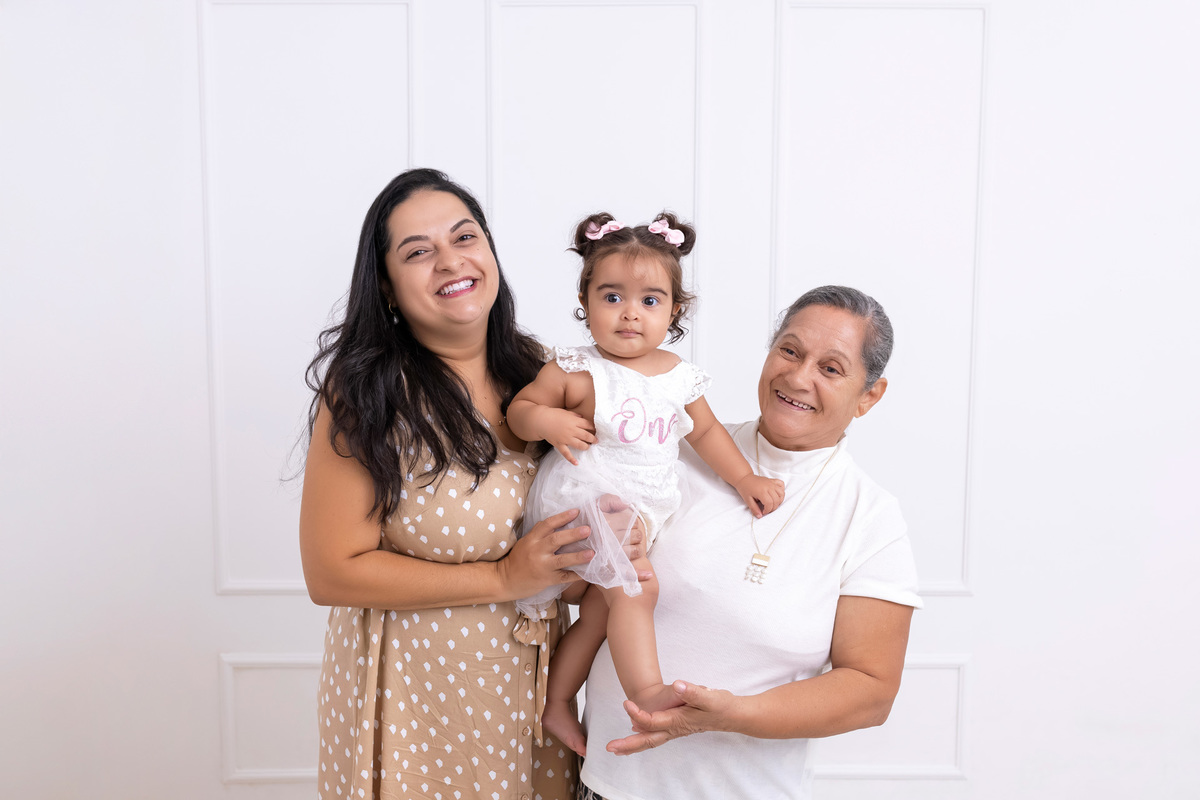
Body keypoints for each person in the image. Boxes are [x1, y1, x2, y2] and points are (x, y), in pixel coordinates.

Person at [298, 168, 603, 800]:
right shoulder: (368, 392)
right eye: (418, 251)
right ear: (387, 286)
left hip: (531, 699)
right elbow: (332, 572)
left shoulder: (541, 373)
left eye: (465, 237)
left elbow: (565, 538)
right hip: (414, 703)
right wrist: (503, 578)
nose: (450, 260)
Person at [576, 285, 924, 800]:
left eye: (830, 368)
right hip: (607, 784)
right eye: (790, 350)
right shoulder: (667, 448)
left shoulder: (869, 516)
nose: (798, 377)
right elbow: (579, 591)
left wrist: (732, 714)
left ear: (869, 395)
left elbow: (870, 691)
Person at [506, 212, 785, 756]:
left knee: (601, 611)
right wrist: (547, 420)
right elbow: (520, 411)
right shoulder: (577, 369)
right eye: (612, 297)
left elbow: (706, 433)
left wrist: (745, 477)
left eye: (650, 300)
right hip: (586, 498)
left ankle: (557, 701)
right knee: (636, 586)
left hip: (639, 509)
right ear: (585, 300)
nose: (630, 313)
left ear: (674, 310)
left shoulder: (679, 376)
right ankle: (647, 692)